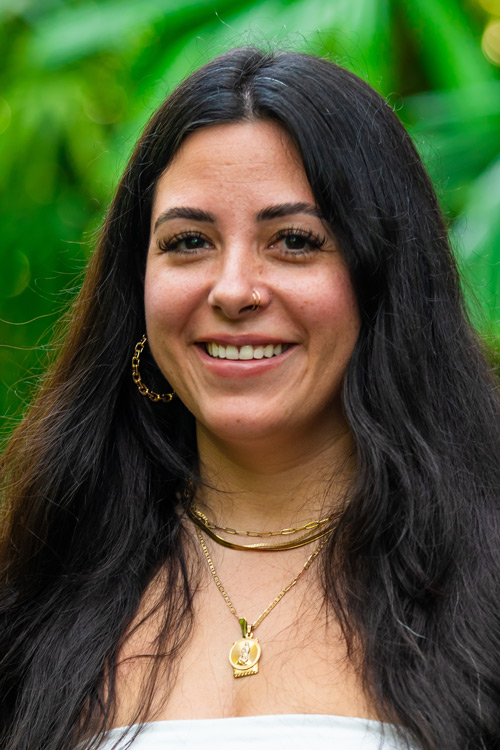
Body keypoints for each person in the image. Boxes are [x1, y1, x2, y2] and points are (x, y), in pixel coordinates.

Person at [1, 46, 499, 750]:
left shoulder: (485, 581)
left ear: (381, 276)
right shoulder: (43, 589)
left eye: (294, 240)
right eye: (189, 242)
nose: (234, 290)